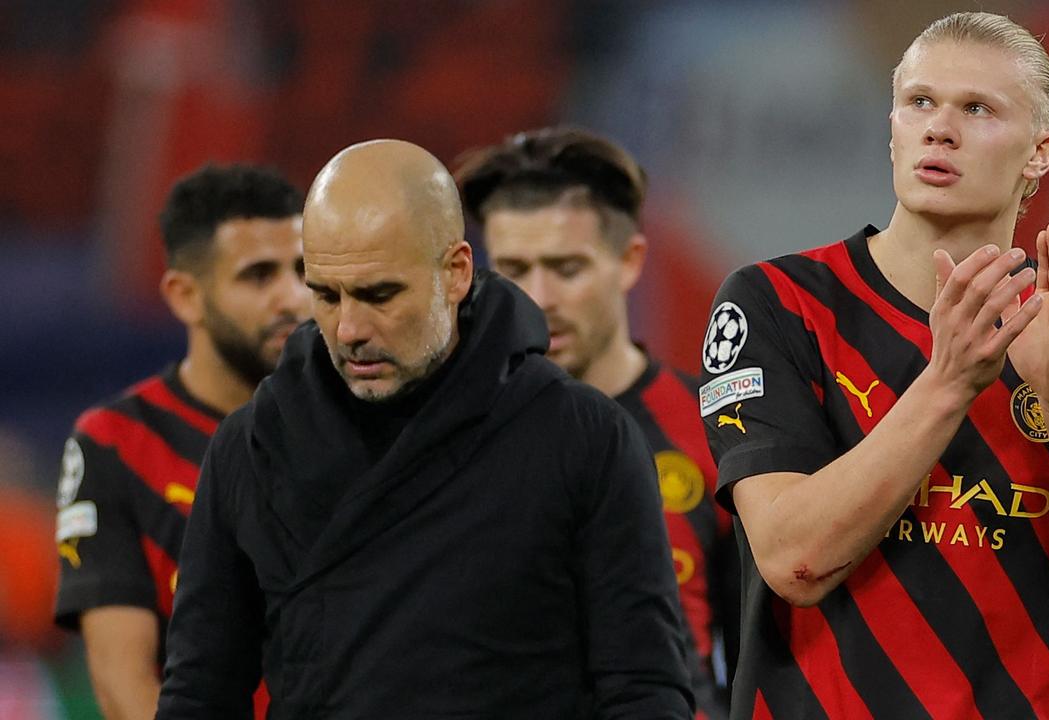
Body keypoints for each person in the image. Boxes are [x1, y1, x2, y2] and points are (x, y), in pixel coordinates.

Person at [699, 12, 1049, 720]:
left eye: (978, 109)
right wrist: (950, 382)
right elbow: (793, 560)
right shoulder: (778, 305)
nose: (939, 128)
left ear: (1040, 153)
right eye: (919, 102)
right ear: (892, 126)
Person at [156, 139, 693, 719]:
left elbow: (643, 689)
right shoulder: (251, 446)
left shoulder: (584, 437)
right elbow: (199, 695)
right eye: (326, 296)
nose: (350, 329)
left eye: (379, 294)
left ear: (457, 272)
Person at [454, 126, 736, 719]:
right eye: (513, 268)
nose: (538, 297)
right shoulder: (445, 437)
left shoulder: (715, 431)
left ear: (629, 261)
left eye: (566, 267)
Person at [53, 163, 310, 720]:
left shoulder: (355, 420)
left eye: (303, 270)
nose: (293, 297)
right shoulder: (115, 444)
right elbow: (124, 685)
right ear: (185, 296)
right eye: (259, 275)